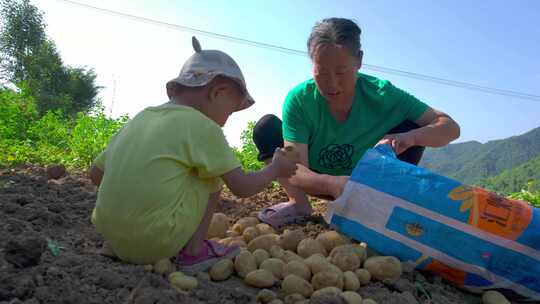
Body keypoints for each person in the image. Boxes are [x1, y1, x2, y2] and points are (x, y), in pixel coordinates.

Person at [88, 37, 298, 273]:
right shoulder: (204, 127)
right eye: (230, 112)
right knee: (213, 175)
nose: (225, 121)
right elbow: (242, 187)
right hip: (157, 241)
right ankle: (193, 252)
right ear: (218, 92)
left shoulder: (141, 118)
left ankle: (123, 241)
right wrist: (275, 168)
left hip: (109, 234)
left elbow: (95, 174)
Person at [254, 18, 461, 228]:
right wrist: (332, 183)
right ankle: (299, 205)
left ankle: (377, 208)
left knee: (413, 126)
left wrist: (410, 137)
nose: (332, 83)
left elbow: (450, 127)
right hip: (317, 182)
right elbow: (294, 167)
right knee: (267, 128)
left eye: (341, 72)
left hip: (367, 187)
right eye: (322, 73)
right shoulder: (299, 101)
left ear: (359, 61)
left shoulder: (383, 95)